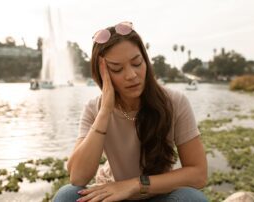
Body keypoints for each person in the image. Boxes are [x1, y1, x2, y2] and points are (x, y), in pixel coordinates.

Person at [53, 21, 208, 202]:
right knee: (67, 195)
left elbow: (198, 174)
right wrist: (105, 112)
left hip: (157, 195)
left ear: (145, 60)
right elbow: (77, 177)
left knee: (191, 198)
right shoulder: (93, 109)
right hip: (112, 195)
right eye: (117, 69)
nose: (131, 75)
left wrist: (134, 185)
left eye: (136, 63)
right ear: (102, 74)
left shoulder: (174, 102)